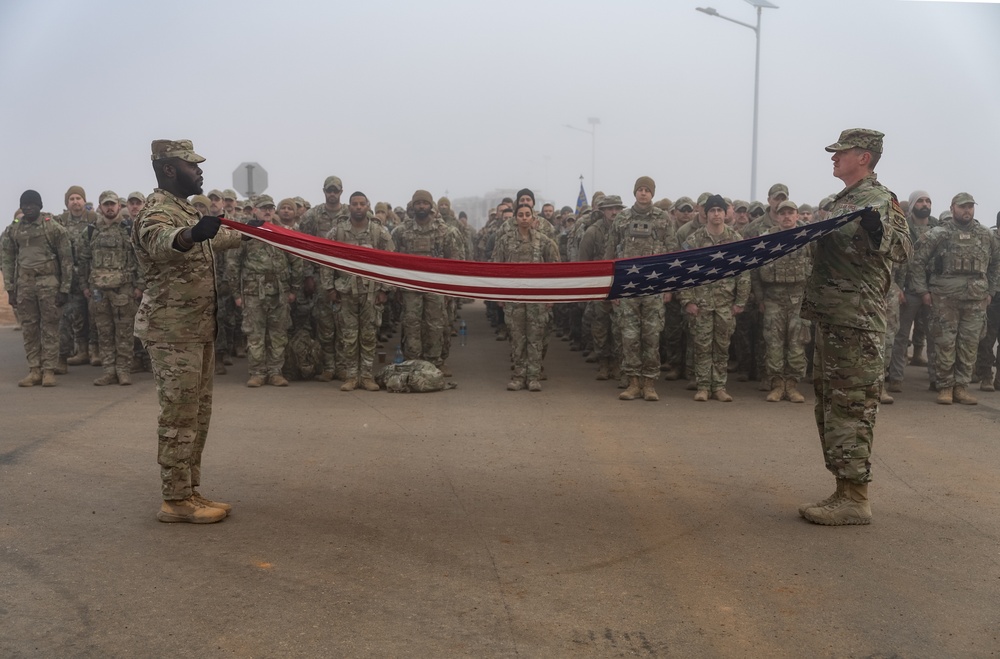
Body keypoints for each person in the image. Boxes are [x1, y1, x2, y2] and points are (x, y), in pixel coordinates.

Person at [798, 128, 910, 526]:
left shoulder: (881, 201)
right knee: (830, 406)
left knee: (853, 408)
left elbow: (900, 249)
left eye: (840, 152)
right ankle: (843, 489)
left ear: (863, 157)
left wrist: (876, 227)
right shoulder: (836, 202)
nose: (833, 158)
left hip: (857, 321)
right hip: (832, 317)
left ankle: (857, 499)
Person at [132, 139, 244, 524]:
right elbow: (162, 242)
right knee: (178, 416)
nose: (199, 171)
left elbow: (215, 237)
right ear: (168, 170)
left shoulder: (184, 209)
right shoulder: (156, 211)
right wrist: (190, 235)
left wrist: (253, 232)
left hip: (197, 329)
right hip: (172, 331)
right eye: (191, 166)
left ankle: (190, 491)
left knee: (197, 415)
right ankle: (175, 500)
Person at [909, 193, 1000, 405]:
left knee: (969, 345)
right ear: (952, 209)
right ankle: (945, 387)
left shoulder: (986, 235)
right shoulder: (938, 234)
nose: (966, 210)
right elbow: (917, 262)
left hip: (975, 299)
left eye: (970, 206)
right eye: (962, 207)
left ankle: (961, 387)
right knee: (945, 344)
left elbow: (996, 264)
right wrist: (923, 291)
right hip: (944, 298)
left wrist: (991, 292)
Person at [605, 177, 679, 401]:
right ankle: (633, 383)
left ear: (653, 194)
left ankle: (649, 383)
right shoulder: (623, 219)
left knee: (651, 336)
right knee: (629, 337)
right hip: (628, 287)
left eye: (647, 190)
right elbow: (610, 253)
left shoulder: (663, 219)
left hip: (654, 287)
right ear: (635, 193)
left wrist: (668, 288)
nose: (643, 193)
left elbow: (672, 254)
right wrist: (613, 287)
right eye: (640, 190)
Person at [320, 191, 395, 391]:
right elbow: (326, 262)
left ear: (368, 206)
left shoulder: (379, 232)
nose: (359, 207)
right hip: (346, 293)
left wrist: (385, 290)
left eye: (362, 204)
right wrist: (330, 288)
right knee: (349, 336)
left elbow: (390, 261)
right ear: (349, 206)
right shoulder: (337, 232)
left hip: (371, 292)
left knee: (369, 335)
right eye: (355, 204)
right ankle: (352, 376)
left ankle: (367, 376)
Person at [678, 194, 749, 402]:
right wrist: (687, 300)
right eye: (712, 211)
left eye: (719, 210)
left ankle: (719, 386)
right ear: (705, 213)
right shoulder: (694, 240)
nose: (716, 214)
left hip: (725, 304)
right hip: (701, 303)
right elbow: (684, 272)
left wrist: (740, 301)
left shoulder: (735, 239)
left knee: (722, 346)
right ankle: (702, 386)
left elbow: (743, 273)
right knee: (702, 345)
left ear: (725, 213)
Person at [1, 190, 73, 386]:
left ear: (39, 206)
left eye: (31, 204)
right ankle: (34, 369)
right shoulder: (13, 230)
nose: (27, 207)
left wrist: (64, 289)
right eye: (24, 204)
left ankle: (49, 370)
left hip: (49, 284)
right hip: (25, 285)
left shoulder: (52, 227)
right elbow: (7, 259)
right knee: (30, 329)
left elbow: (66, 259)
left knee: (50, 328)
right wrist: (10, 289)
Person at [231, 195, 302, 388]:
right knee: (255, 333)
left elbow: (296, 261)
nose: (268, 211)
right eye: (264, 208)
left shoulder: (284, 232)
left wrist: (294, 289)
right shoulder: (246, 233)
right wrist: (237, 294)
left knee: (278, 333)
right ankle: (257, 372)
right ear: (255, 210)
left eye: (271, 208)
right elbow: (233, 264)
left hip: (279, 291)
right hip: (253, 292)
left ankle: (275, 372)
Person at [492, 202, 560, 391]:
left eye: (527, 214)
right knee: (517, 337)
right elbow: (497, 269)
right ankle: (518, 375)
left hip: (537, 299)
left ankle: (534, 377)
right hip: (514, 299)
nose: (524, 217)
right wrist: (499, 296)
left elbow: (555, 269)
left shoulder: (544, 241)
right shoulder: (505, 241)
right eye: (520, 214)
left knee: (535, 337)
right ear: (515, 218)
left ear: (533, 217)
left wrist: (551, 297)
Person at [79, 190, 142, 386]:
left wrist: (140, 285)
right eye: (105, 204)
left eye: (112, 204)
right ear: (100, 207)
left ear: (118, 206)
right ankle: (108, 371)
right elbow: (82, 261)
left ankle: (123, 371)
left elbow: (141, 258)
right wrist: (84, 286)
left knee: (124, 332)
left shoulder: (129, 229)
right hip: (98, 290)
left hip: (123, 289)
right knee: (104, 332)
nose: (109, 207)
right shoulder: (90, 231)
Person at [751, 200, 812, 403]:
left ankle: (792, 386)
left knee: (797, 344)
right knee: (774, 344)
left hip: (798, 299)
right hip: (773, 300)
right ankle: (777, 385)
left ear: (797, 215)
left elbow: (817, 267)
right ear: (776, 216)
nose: (787, 216)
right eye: (783, 213)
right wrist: (760, 298)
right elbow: (755, 273)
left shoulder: (807, 238)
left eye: (791, 212)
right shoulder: (767, 240)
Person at [391, 190, 460, 368]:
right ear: (413, 206)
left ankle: (435, 363)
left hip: (436, 287)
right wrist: (396, 287)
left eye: (425, 203)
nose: (421, 206)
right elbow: (392, 261)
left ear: (431, 206)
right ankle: (413, 363)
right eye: (418, 203)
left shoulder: (445, 232)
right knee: (411, 324)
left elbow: (454, 262)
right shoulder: (401, 232)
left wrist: (450, 290)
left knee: (436, 325)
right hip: (410, 287)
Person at [298, 175, 349, 381]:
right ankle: (329, 366)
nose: (332, 194)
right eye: (329, 190)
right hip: (320, 277)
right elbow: (304, 247)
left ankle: (344, 366)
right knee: (325, 324)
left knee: (344, 323)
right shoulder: (312, 216)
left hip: (344, 277)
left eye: (336, 190)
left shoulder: (349, 214)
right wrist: (308, 275)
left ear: (341, 192)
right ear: (324, 191)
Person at [887, 190, 938, 392]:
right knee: (900, 336)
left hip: (932, 291)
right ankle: (896, 378)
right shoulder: (902, 227)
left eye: (928, 200)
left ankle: (936, 379)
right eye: (920, 201)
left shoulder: (938, 228)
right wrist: (896, 287)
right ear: (913, 205)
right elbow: (894, 259)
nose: (924, 204)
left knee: (935, 336)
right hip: (907, 289)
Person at [579, 195, 624, 382]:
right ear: (603, 211)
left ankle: (618, 363)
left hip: (621, 285)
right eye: (610, 209)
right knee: (600, 325)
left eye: (617, 209)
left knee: (620, 326)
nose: (614, 212)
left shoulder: (625, 230)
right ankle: (603, 363)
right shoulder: (592, 232)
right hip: (600, 286)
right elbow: (583, 262)